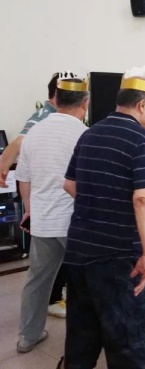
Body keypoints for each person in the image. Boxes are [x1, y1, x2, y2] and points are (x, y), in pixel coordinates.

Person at [62, 66, 145, 368]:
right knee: (134, 346)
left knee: (82, 340)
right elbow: (143, 199)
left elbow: (69, 184)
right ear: (142, 105)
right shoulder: (143, 140)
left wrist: (100, 205)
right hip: (122, 257)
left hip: (80, 252)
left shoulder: (89, 134)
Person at [14, 75, 89, 354]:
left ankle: (28, 336)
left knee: (37, 280)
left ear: (56, 99)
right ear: (85, 102)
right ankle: (88, 341)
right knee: (86, 282)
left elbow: (23, 178)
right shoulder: (84, 134)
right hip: (75, 223)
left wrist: (30, 211)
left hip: (43, 222)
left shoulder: (34, 133)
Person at [0, 73, 68, 317]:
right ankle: (52, 300)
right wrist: (3, 164)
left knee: (54, 261)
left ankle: (53, 299)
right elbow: (19, 142)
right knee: (49, 263)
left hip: (57, 201)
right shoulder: (43, 115)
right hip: (50, 203)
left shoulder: (61, 117)